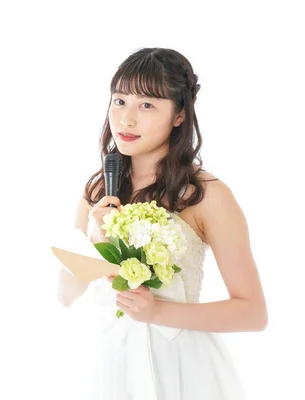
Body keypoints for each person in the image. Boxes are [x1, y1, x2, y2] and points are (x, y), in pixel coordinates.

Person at [56, 47, 267, 399]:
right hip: (108, 365)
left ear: (180, 115)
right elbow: (64, 294)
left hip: (180, 369)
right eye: (119, 101)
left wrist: (158, 311)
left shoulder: (207, 195)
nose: (126, 120)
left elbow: (253, 313)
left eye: (147, 105)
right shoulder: (98, 190)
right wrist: (95, 243)